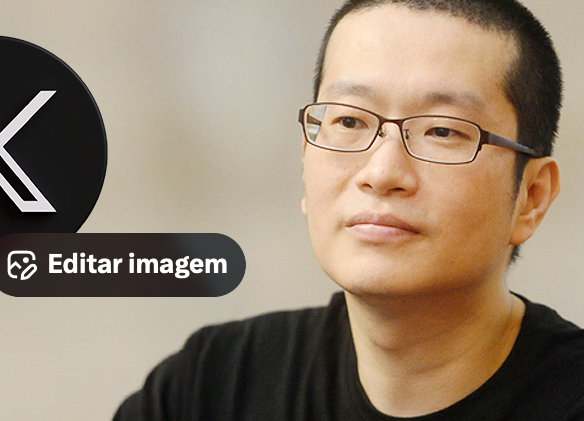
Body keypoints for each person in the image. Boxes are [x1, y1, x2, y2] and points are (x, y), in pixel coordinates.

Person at [114, 0, 584, 419]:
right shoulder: (211, 386)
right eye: (349, 120)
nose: (381, 172)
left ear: (532, 197)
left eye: (442, 130)